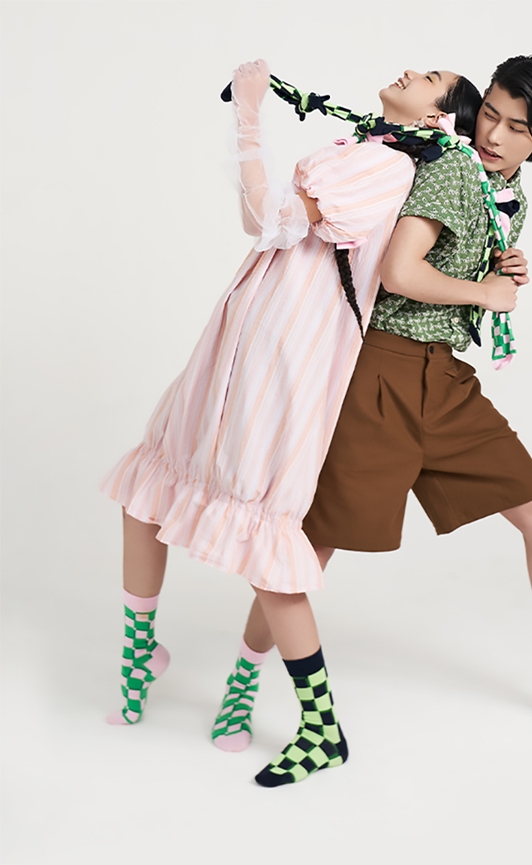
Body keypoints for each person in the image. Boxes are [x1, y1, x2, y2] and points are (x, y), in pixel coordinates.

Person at [235, 56, 532, 770]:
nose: (492, 133)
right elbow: (401, 273)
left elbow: (452, 260)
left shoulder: (506, 192)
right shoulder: (452, 168)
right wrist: (486, 293)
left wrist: (498, 268)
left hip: (444, 380)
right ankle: (290, 710)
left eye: (515, 127)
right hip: (381, 372)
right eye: (488, 113)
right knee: (306, 550)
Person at [101, 59, 487, 786]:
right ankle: (139, 649)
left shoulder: (386, 166)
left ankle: (255, 687)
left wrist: (248, 112)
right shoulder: (364, 148)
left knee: (264, 533)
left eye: (429, 76)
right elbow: (273, 223)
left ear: (439, 118)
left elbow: (271, 219)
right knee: (150, 486)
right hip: (243, 331)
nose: (410, 69)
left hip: (288, 352)